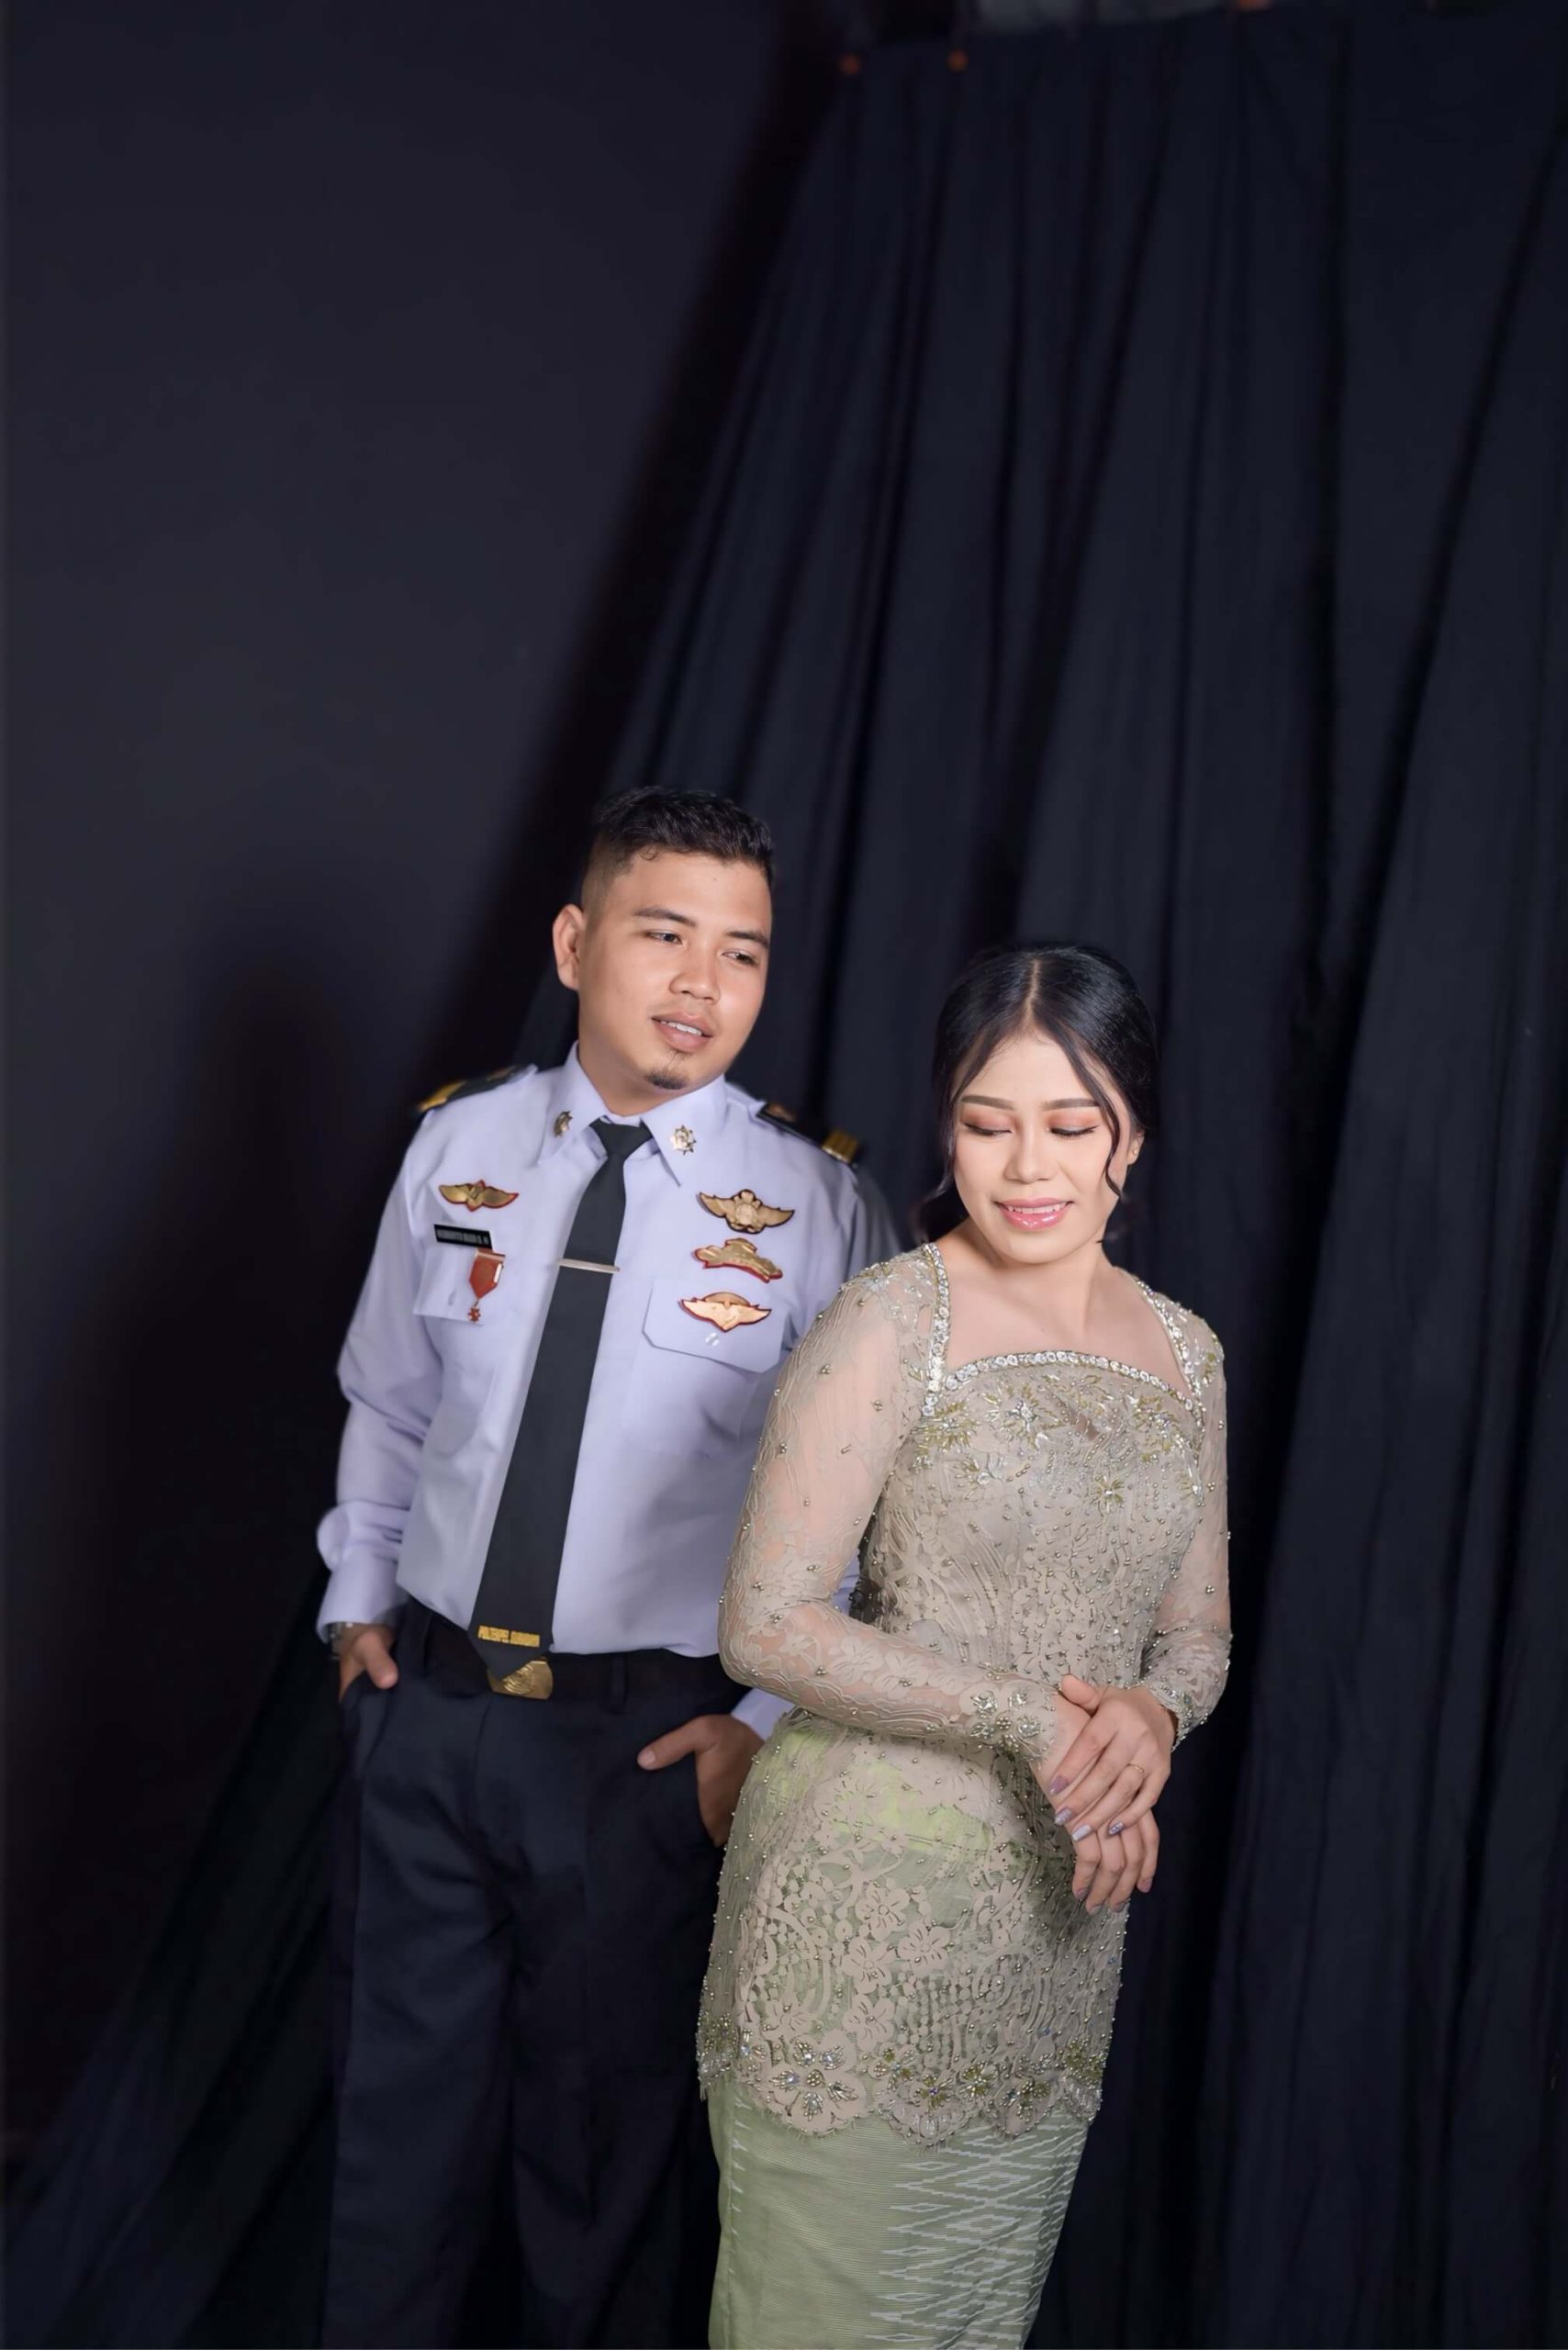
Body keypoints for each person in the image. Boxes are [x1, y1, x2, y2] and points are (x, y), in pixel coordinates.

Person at [318, 789, 899, 2349]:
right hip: (433, 1714)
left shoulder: (814, 1202)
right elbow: (391, 1400)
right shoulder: (461, 1143)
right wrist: (358, 1610)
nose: (703, 986)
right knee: (392, 2157)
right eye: (664, 937)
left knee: (598, 2180)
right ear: (577, 945)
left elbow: (854, 1515)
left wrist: (759, 1732)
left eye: (743, 953)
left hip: (642, 1750)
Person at [698, 941, 1231, 2350]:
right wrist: (1038, 1719)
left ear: (1133, 1134)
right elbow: (764, 1621)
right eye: (989, 1125)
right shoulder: (891, 1319)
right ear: (949, 1128)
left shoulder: (1188, 1354)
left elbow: (1197, 1636)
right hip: (861, 1918)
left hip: (1055, 1935)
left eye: (1071, 1125)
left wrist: (1153, 1721)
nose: (1028, 1165)